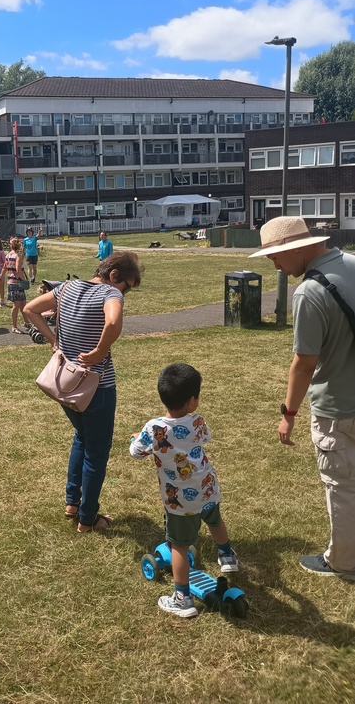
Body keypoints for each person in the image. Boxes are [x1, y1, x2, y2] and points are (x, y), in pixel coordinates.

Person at [249, 215, 355, 579]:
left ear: (292, 249)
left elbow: (304, 364)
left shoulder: (309, 292)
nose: (275, 266)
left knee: (341, 486)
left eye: (275, 257)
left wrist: (288, 412)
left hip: (339, 406)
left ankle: (343, 562)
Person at [24, 251, 142, 532]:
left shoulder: (66, 288)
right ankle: (87, 518)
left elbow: (30, 310)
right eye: (126, 286)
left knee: (82, 438)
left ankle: (72, 502)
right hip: (97, 387)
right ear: (114, 276)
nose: (125, 293)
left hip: (65, 383)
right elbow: (113, 322)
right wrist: (100, 351)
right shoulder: (109, 294)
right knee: (96, 453)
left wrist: (55, 340)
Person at [130, 363, 239, 618]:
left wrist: (137, 439)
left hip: (179, 501)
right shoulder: (197, 421)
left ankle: (182, 598)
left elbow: (136, 453)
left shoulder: (154, 428)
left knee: (179, 545)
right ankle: (227, 556)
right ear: (192, 401)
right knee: (215, 521)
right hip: (207, 488)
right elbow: (206, 437)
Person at [3, 237, 31, 334]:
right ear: (18, 245)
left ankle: (26, 322)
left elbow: (5, 267)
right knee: (16, 305)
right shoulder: (18, 255)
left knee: (23, 303)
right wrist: (25, 280)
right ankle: (14, 326)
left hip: (10, 281)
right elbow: (18, 270)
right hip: (17, 283)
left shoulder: (8, 255)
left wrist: (0, 277)